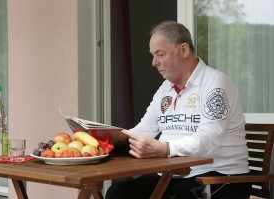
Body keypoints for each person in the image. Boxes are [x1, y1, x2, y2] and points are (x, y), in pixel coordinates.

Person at [105, 20, 252, 199]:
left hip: (217, 178)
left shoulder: (215, 83)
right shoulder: (165, 89)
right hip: (173, 175)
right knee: (118, 192)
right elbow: (143, 131)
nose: (154, 62)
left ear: (183, 50)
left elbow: (208, 139)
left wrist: (164, 149)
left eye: (160, 54)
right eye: (153, 55)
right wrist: (105, 138)